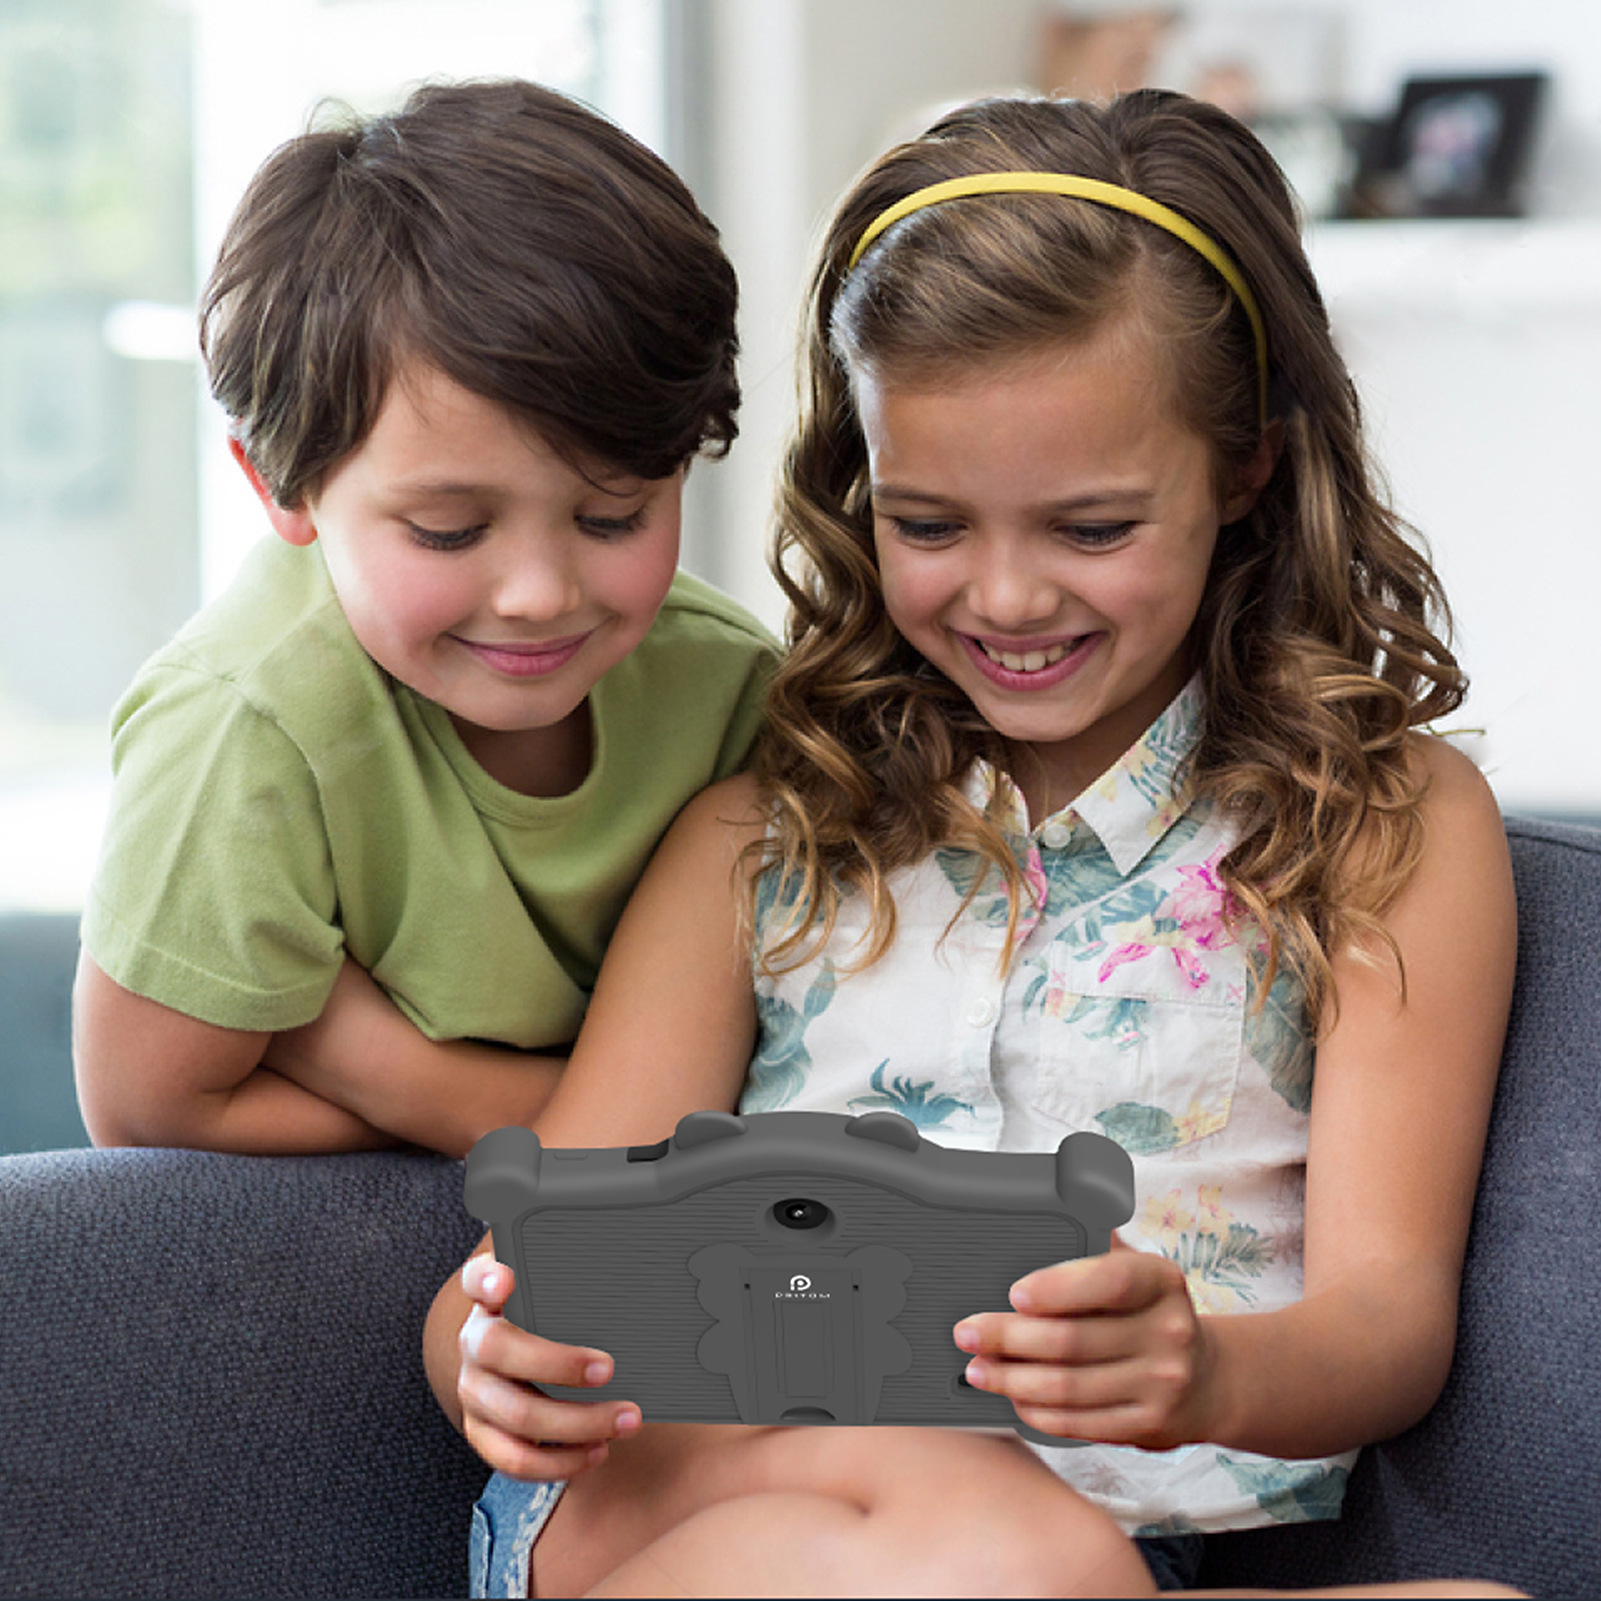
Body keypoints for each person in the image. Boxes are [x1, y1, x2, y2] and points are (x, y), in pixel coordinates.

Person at [425, 90, 1520, 1598]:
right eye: (929, 525)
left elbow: (1387, 1320)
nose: (1004, 599)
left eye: (1090, 528)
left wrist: (1206, 1371)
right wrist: (487, 1353)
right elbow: (521, 1257)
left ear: (1247, 469)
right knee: (1000, 1534)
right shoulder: (759, 834)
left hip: (1123, 1545)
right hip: (690, 1502)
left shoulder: (1385, 824)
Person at [72, 80, 775, 1158]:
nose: (539, 592)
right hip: (335, 1233)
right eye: (449, 530)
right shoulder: (243, 727)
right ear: (281, 487)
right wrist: (578, 1120)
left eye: (613, 515)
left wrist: (368, 1056)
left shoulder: (732, 694)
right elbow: (149, 1111)